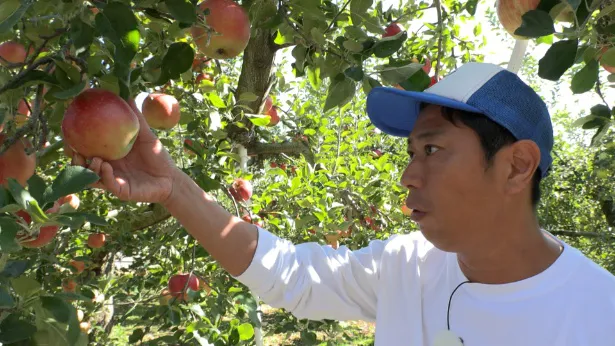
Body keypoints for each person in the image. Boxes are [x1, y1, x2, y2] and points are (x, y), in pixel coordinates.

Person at [71, 62, 615, 346]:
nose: (407, 175)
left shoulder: (600, 315)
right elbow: (290, 275)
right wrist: (173, 187)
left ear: (517, 165)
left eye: (432, 149)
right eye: (410, 151)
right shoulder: (407, 266)